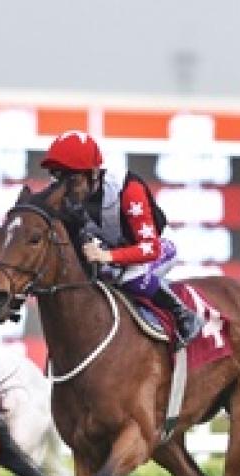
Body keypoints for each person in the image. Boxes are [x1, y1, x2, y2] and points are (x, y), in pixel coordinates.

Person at [40, 130, 203, 348]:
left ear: (94, 173)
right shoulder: (67, 196)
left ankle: (183, 314)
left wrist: (106, 256)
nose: (66, 190)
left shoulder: (128, 190)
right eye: (58, 178)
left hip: (157, 247)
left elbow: (150, 249)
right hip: (116, 251)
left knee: (130, 278)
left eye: (73, 180)